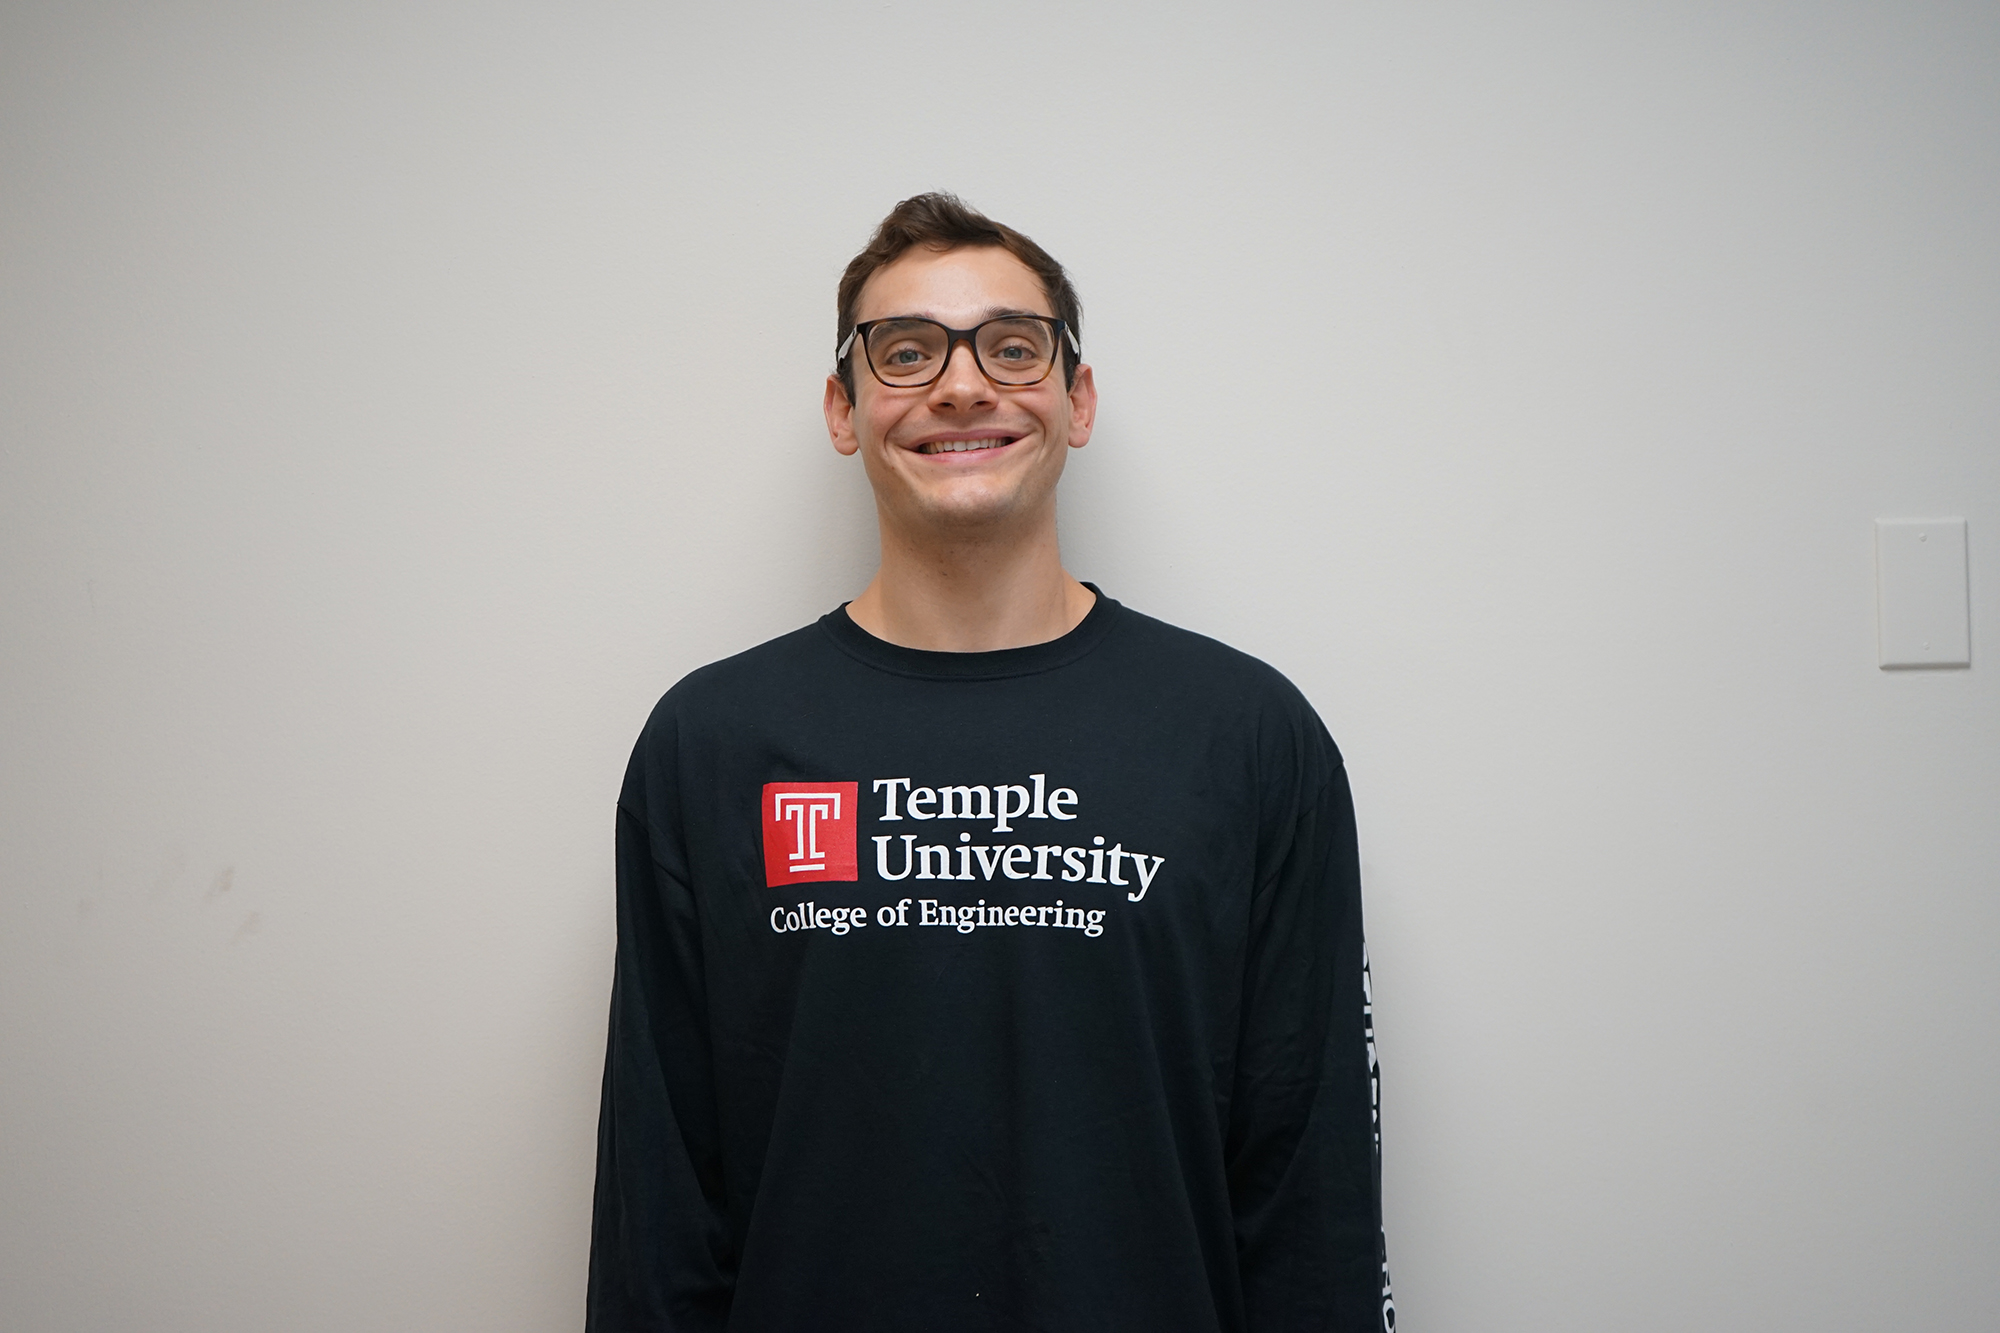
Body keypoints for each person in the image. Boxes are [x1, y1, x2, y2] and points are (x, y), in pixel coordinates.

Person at [587, 193, 1393, 1332]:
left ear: (1078, 398)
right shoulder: (713, 744)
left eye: (1011, 348)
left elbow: (1309, 1193)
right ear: (842, 406)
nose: (961, 385)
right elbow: (658, 1204)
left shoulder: (1244, 737)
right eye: (904, 352)